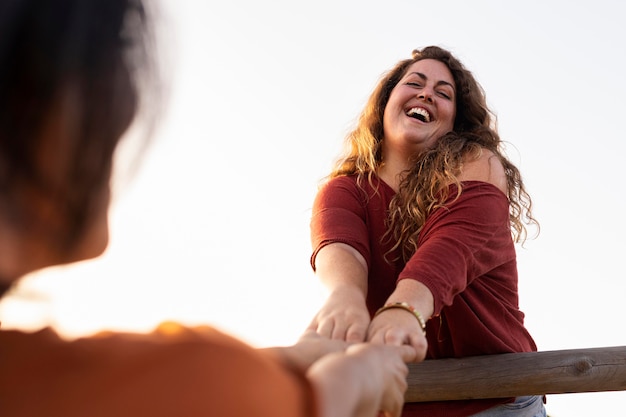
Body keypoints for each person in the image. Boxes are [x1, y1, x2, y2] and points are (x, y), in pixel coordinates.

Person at [0, 1, 418, 416]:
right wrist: (359, 376)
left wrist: (295, 357)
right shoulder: (209, 378)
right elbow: (214, 387)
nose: (125, 107)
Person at [307, 46, 546, 417]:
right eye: (414, 83)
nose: (426, 93)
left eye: (443, 92)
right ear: (386, 103)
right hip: (402, 405)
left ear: (455, 121)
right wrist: (345, 297)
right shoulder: (346, 190)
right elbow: (340, 246)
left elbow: (450, 247)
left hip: (495, 399)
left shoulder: (478, 165)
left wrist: (404, 308)